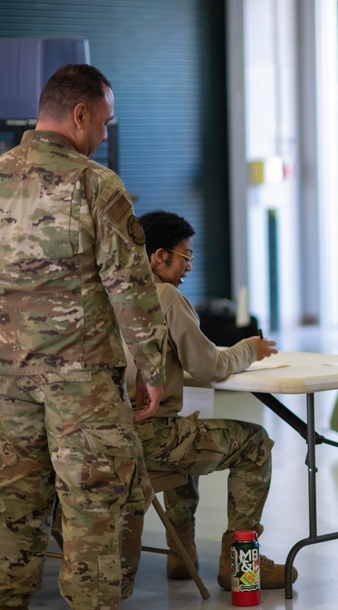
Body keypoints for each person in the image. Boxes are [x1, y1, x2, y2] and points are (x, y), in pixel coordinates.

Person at [0, 64, 167, 610]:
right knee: (91, 501)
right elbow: (130, 287)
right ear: (79, 113)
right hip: (80, 380)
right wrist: (152, 369)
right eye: (104, 121)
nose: (105, 133)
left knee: (17, 492)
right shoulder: (95, 185)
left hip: (7, 375)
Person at [132, 210, 296, 590]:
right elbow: (209, 367)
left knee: (189, 422)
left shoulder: (103, 289)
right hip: (147, 436)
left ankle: (181, 552)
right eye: (185, 256)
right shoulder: (166, 296)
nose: (189, 267)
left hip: (99, 435)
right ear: (160, 256)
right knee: (254, 443)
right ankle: (241, 566)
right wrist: (249, 349)